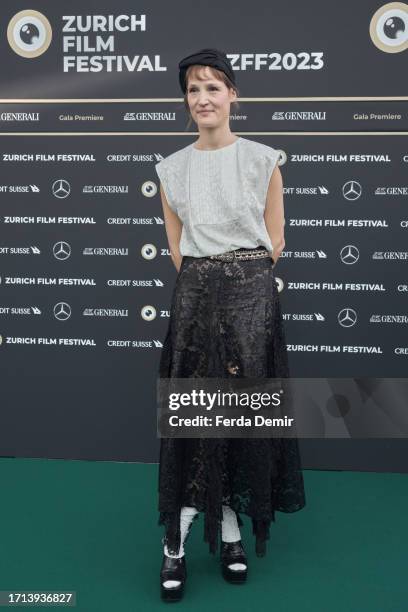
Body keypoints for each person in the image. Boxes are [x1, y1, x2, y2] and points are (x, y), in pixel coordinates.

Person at [155, 48, 306, 602]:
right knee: (195, 414)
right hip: (194, 297)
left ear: (233, 95)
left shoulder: (264, 159)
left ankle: (231, 528)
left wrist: (241, 287)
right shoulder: (170, 169)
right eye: (193, 90)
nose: (203, 99)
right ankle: (176, 540)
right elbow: (177, 250)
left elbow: (276, 239)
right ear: (186, 101)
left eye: (213, 87)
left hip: (252, 298)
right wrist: (207, 284)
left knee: (240, 413)